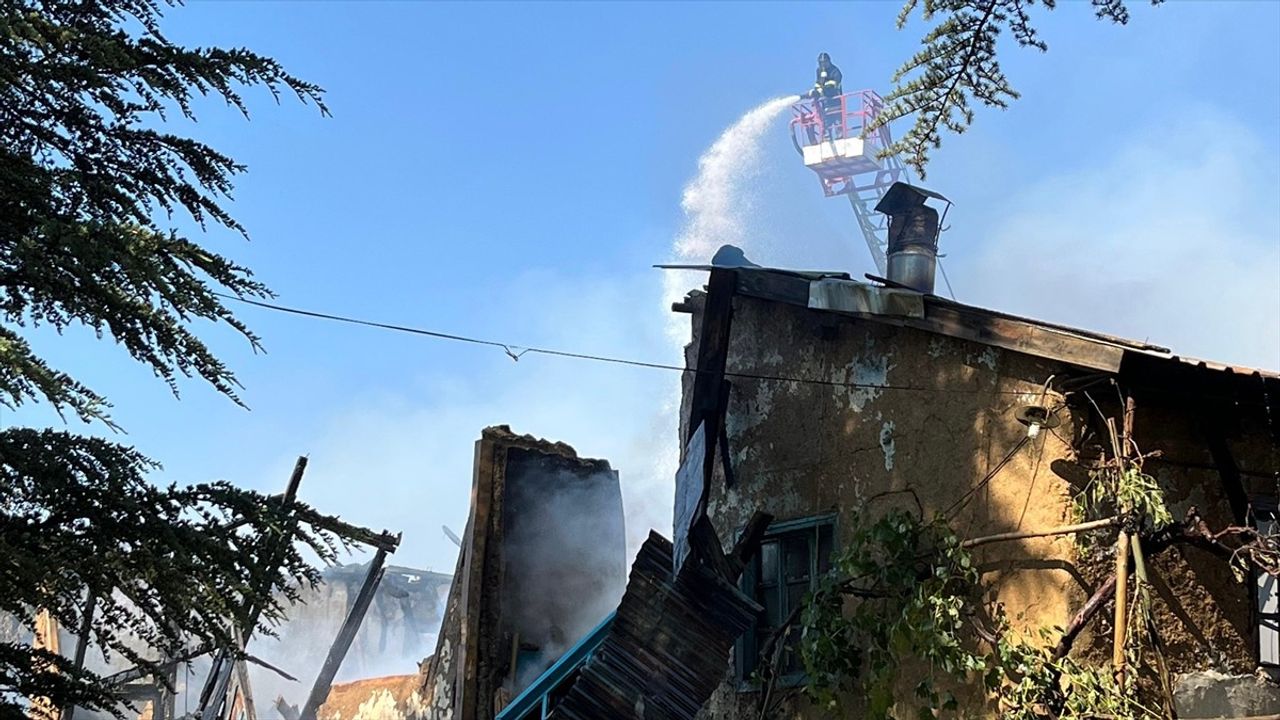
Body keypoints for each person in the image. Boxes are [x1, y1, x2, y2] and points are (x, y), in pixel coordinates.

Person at [810, 52, 844, 140]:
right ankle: (826, 137)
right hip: (825, 103)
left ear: (829, 61)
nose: (823, 65)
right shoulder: (819, 71)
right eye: (821, 63)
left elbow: (835, 85)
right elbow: (818, 83)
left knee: (837, 120)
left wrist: (824, 89)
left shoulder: (835, 71)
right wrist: (816, 92)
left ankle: (840, 135)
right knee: (826, 120)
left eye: (824, 62)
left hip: (835, 101)